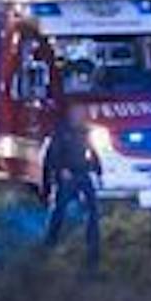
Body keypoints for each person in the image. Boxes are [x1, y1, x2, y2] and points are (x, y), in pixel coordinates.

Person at [42, 103, 104, 276]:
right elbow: (53, 154)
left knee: (93, 210)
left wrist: (98, 171)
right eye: (78, 113)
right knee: (60, 209)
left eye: (82, 113)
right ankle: (50, 240)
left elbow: (92, 151)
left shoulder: (85, 131)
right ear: (70, 115)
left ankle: (93, 246)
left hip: (83, 174)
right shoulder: (62, 132)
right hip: (68, 176)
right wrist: (61, 170)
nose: (81, 116)